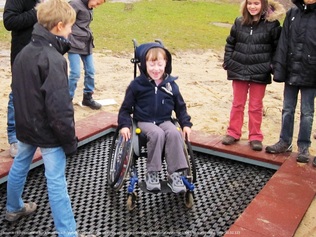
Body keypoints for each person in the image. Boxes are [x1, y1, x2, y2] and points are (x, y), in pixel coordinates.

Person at [4, 1, 94, 236]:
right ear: (59, 26)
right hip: (48, 133)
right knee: (56, 182)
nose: (71, 31)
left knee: (20, 164)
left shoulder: (25, 52)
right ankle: (68, 233)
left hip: (26, 126)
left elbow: (19, 93)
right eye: (70, 27)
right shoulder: (53, 60)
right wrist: (69, 141)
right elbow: (59, 108)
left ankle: (13, 207)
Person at [118, 43, 192, 193]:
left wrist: (186, 124)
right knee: (157, 133)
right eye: (152, 64)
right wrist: (124, 125)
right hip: (144, 121)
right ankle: (152, 173)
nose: (156, 69)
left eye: (160, 64)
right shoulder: (137, 85)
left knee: (174, 133)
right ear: (144, 64)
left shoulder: (171, 85)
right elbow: (125, 109)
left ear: (166, 64)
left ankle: (175, 174)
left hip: (164, 120)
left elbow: (180, 107)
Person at [221, 0, 285, 151]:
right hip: (239, 68)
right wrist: (229, 61)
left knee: (255, 106)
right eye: (250, 3)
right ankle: (233, 132)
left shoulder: (272, 25)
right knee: (237, 103)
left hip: (260, 70)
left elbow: (277, 48)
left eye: (256, 3)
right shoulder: (239, 22)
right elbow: (231, 42)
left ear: (263, 4)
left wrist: (271, 66)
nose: (252, 7)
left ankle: (255, 136)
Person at [265, 0, 316, 166]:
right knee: (287, 108)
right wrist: (279, 68)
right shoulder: (292, 14)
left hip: (311, 71)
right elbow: (283, 43)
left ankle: (303, 146)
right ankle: (284, 141)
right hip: (291, 70)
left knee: (307, 112)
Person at [3, 0, 39, 158]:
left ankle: (31, 134)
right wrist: (37, 12)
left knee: (37, 94)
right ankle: (14, 138)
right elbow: (9, 21)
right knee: (18, 93)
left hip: (43, 51)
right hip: (22, 53)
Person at [67, 0, 106, 110]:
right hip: (74, 43)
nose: (96, 6)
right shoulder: (74, 4)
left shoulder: (89, 7)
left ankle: (87, 97)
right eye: (97, 3)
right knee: (75, 73)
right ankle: (66, 100)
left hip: (86, 44)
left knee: (91, 71)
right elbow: (65, 21)